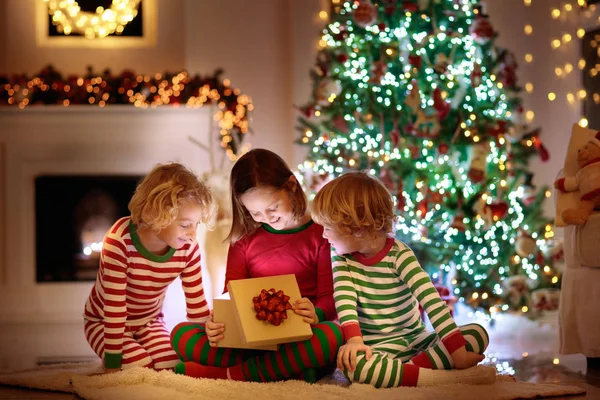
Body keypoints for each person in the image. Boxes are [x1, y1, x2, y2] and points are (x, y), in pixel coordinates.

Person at [170, 149, 343, 382]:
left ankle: (231, 374)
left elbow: (329, 296)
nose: (267, 217)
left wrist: (317, 314)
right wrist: (218, 322)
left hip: (301, 335)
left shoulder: (321, 234)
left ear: (292, 186)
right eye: (255, 213)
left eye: (272, 208)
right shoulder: (243, 238)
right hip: (252, 339)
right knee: (181, 333)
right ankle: (288, 369)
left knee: (332, 336)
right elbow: (231, 293)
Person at [310, 171, 493, 387]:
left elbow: (431, 301)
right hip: (379, 349)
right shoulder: (340, 257)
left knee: (477, 334)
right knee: (354, 365)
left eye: (328, 228)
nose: (324, 235)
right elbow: (344, 299)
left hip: (418, 341)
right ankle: (438, 378)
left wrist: (459, 353)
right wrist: (355, 342)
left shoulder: (400, 255)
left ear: (357, 229)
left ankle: (406, 373)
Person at [83, 163, 215, 373]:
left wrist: (207, 344)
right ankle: (122, 355)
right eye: (185, 224)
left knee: (170, 367)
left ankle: (137, 352)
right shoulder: (119, 241)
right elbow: (114, 309)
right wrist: (113, 363)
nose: (192, 234)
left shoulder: (188, 248)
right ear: (155, 215)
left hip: (149, 322)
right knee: (139, 366)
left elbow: (197, 306)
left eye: (196, 224)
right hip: (104, 322)